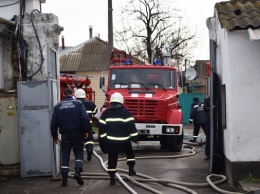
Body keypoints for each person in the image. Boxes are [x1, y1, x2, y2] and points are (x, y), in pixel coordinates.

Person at [50, 88, 92, 187]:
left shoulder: (58, 106)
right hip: (77, 133)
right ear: (72, 94)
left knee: (65, 155)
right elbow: (85, 118)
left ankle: (64, 180)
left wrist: (54, 136)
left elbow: (53, 123)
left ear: (63, 95)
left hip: (65, 134)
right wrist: (86, 131)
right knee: (78, 154)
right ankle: (77, 172)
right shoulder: (78, 104)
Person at [99, 92, 139, 185]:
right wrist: (135, 138)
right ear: (121, 102)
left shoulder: (106, 113)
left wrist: (104, 139)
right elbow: (131, 126)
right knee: (130, 154)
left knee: (112, 159)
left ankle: (112, 178)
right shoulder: (126, 112)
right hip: (124, 140)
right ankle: (131, 170)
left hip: (112, 142)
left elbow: (101, 128)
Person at [74, 88, 97, 161]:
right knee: (89, 139)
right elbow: (95, 112)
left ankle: (78, 157)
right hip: (88, 124)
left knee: (78, 140)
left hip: (76, 125)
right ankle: (89, 149)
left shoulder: (74, 103)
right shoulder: (91, 104)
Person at [203, 96, 210, 160]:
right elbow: (205, 108)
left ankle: (208, 153)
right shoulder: (207, 99)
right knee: (208, 137)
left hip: (207, 120)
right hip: (208, 120)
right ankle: (208, 153)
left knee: (209, 136)